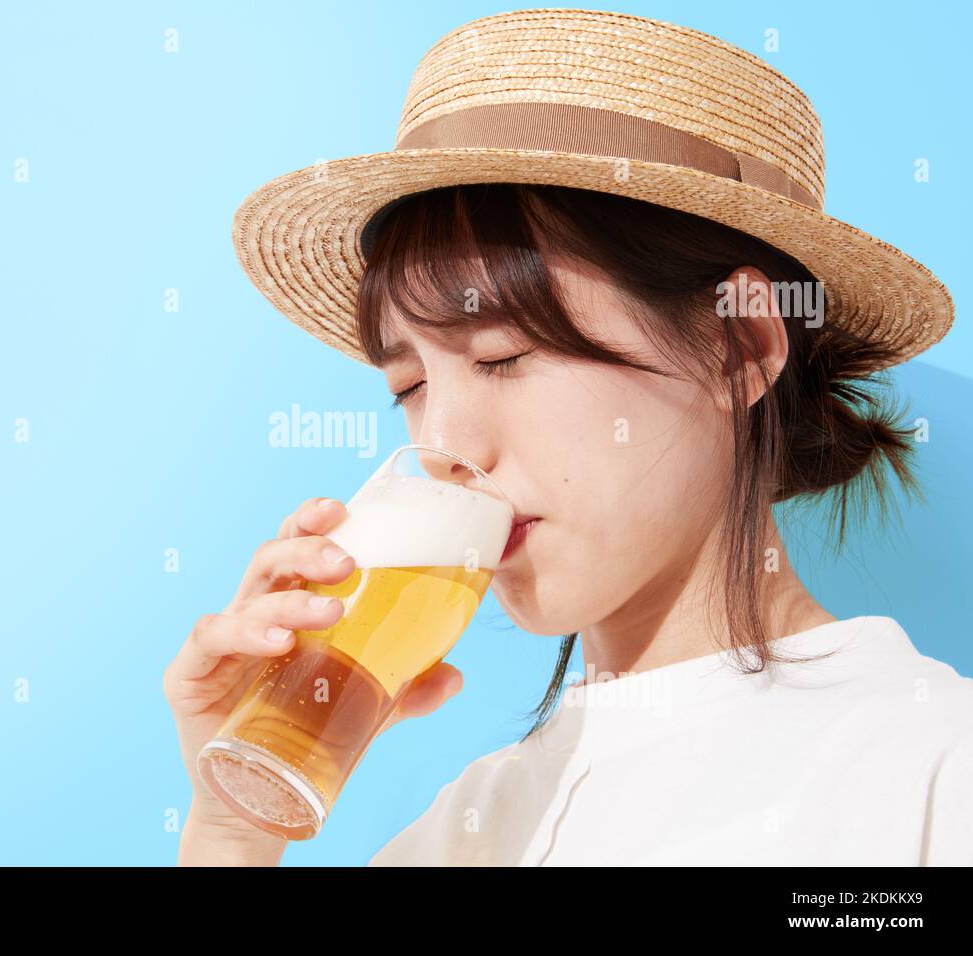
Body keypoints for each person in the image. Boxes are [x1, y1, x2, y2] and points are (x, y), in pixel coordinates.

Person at [164, 9, 971, 865]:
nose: (443, 443)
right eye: (409, 385)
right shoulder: (461, 833)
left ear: (740, 345)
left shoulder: (929, 767)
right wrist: (233, 832)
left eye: (505, 356)